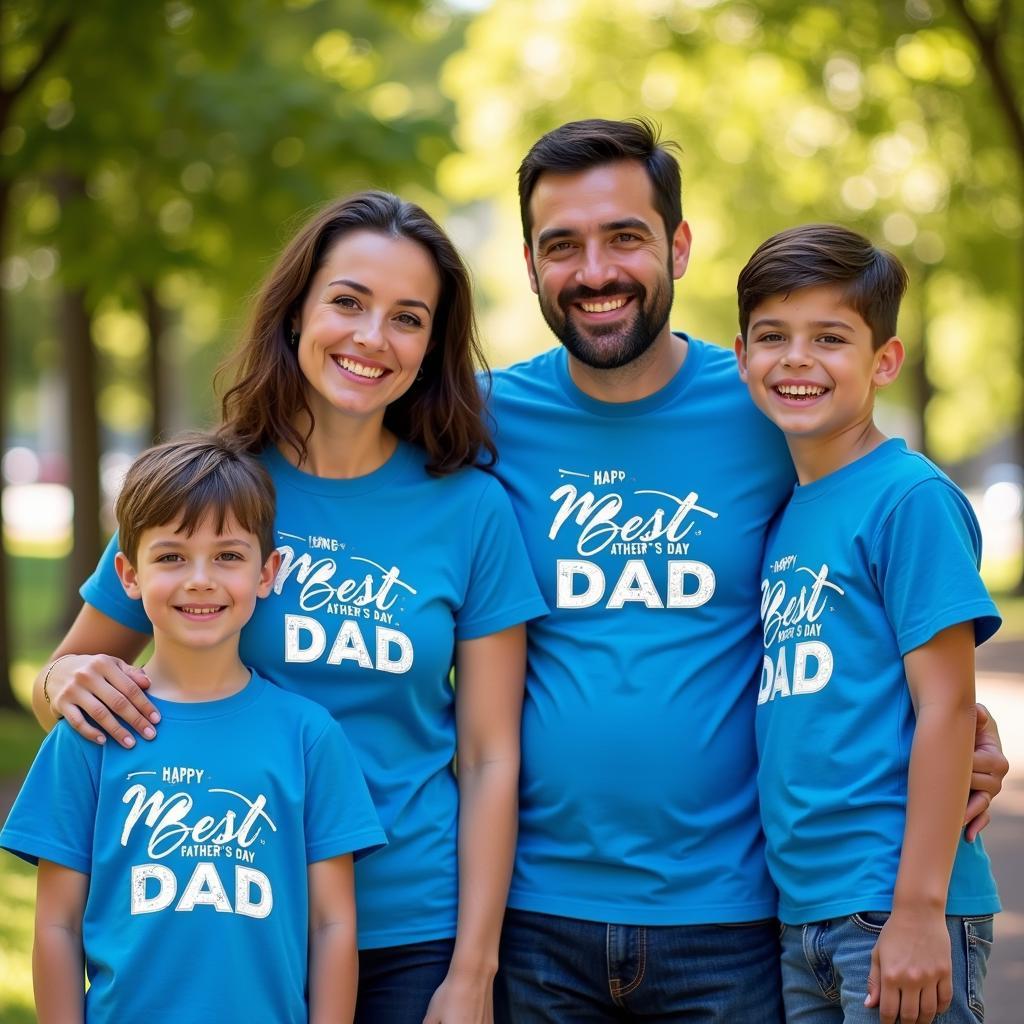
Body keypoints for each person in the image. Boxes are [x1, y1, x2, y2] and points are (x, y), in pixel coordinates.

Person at [484, 119, 1007, 1022]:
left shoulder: (772, 400)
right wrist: (157, 656)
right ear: (529, 264)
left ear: (678, 247)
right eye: (562, 244)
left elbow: (886, 583)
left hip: (733, 919)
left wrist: (955, 721)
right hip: (536, 919)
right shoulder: (483, 422)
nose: (596, 270)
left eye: (626, 238)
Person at [30, 191, 547, 1024]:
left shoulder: (470, 510)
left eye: (407, 318)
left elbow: (490, 755)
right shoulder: (212, 494)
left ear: (431, 346)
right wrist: (65, 686)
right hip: (226, 933)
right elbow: (64, 673)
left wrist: (472, 970)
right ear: (297, 310)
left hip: (410, 931)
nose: (371, 338)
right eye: (348, 301)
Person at [2, 434, 386, 1023]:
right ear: (128, 576)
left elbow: (333, 924)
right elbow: (55, 924)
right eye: (172, 556)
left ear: (267, 572)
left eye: (229, 556)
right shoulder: (90, 732)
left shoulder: (309, 737)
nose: (200, 579)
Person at [734, 224, 1001, 1024]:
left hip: (897, 901)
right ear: (740, 353)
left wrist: (919, 907)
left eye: (830, 338)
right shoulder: (787, 510)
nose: (796, 359)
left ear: (884, 361)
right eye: (772, 336)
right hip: (804, 907)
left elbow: (949, 706)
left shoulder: (907, 499)